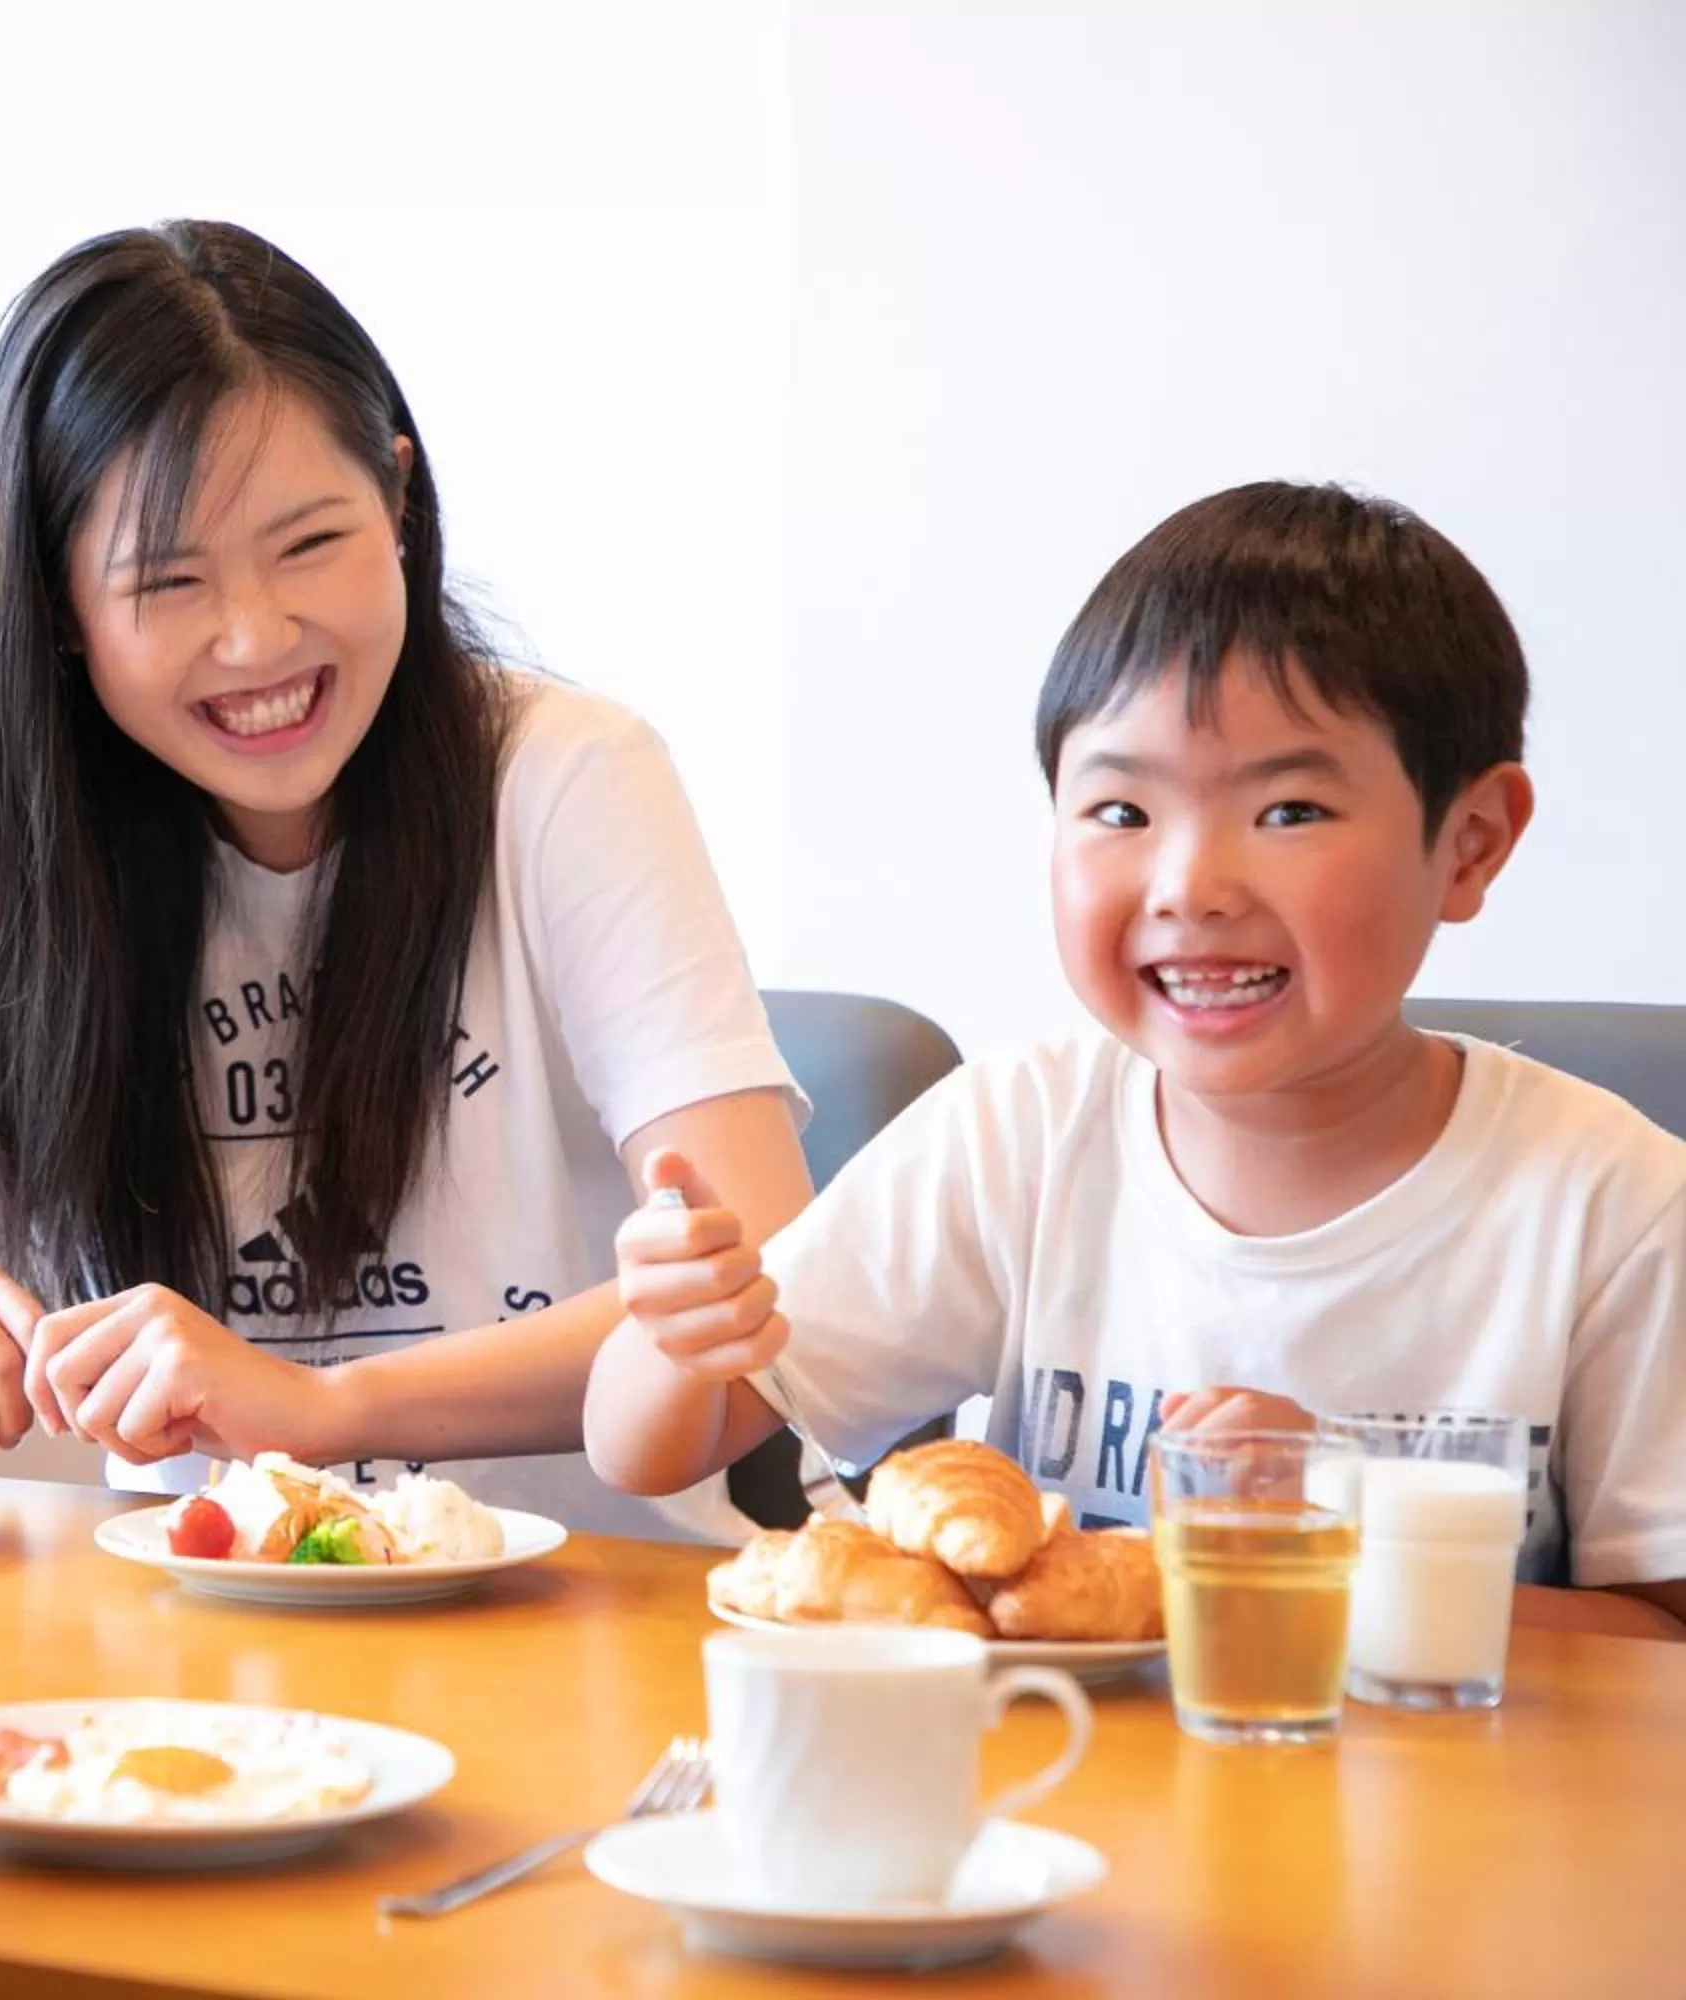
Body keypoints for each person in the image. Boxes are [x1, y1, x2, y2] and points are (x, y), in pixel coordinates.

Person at [0, 220, 814, 1538]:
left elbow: (760, 1270)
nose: (257, 638)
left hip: (580, 1618)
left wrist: (328, 1408)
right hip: (199, 1646)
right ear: (58, 614)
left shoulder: (561, 780)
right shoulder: (9, 859)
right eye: (170, 580)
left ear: (400, 500)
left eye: (311, 544)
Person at [588, 481, 1686, 1639]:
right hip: (1057, 1796)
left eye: (1291, 809)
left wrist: (1331, 1551)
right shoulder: (1022, 1130)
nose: (1190, 887)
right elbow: (646, 1449)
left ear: (1469, 844)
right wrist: (675, 1333)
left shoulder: (1612, 1203)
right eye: (1120, 812)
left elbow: (1666, 1635)